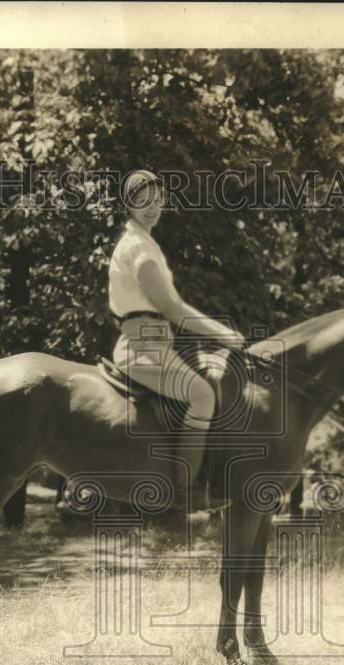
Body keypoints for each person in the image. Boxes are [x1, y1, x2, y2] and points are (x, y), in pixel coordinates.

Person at [108, 169, 244, 511]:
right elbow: (170, 307)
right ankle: (186, 494)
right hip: (142, 345)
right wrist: (223, 334)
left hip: (155, 342)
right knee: (201, 396)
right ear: (128, 204)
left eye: (157, 200)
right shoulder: (138, 246)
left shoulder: (145, 241)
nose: (152, 207)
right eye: (142, 201)